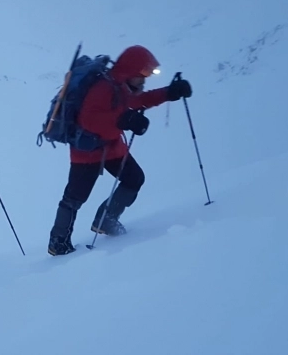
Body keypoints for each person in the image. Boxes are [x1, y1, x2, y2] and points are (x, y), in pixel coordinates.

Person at [47, 45, 192, 256]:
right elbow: (88, 121)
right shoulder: (103, 88)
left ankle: (106, 219)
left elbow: (138, 101)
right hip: (87, 151)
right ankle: (58, 243)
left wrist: (169, 93)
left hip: (112, 147)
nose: (144, 80)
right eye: (141, 75)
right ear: (129, 71)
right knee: (75, 198)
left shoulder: (121, 85)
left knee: (134, 178)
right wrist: (123, 119)